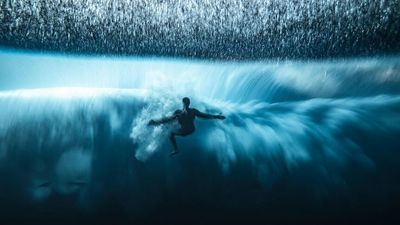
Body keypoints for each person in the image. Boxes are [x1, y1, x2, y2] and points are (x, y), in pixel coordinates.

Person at [148, 97, 225, 156]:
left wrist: (155, 122)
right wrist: (217, 116)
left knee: (171, 133)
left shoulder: (179, 114)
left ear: (183, 103)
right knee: (173, 121)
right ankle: (161, 125)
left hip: (184, 131)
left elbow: (167, 120)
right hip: (192, 130)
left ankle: (176, 150)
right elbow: (204, 115)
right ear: (189, 103)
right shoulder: (193, 111)